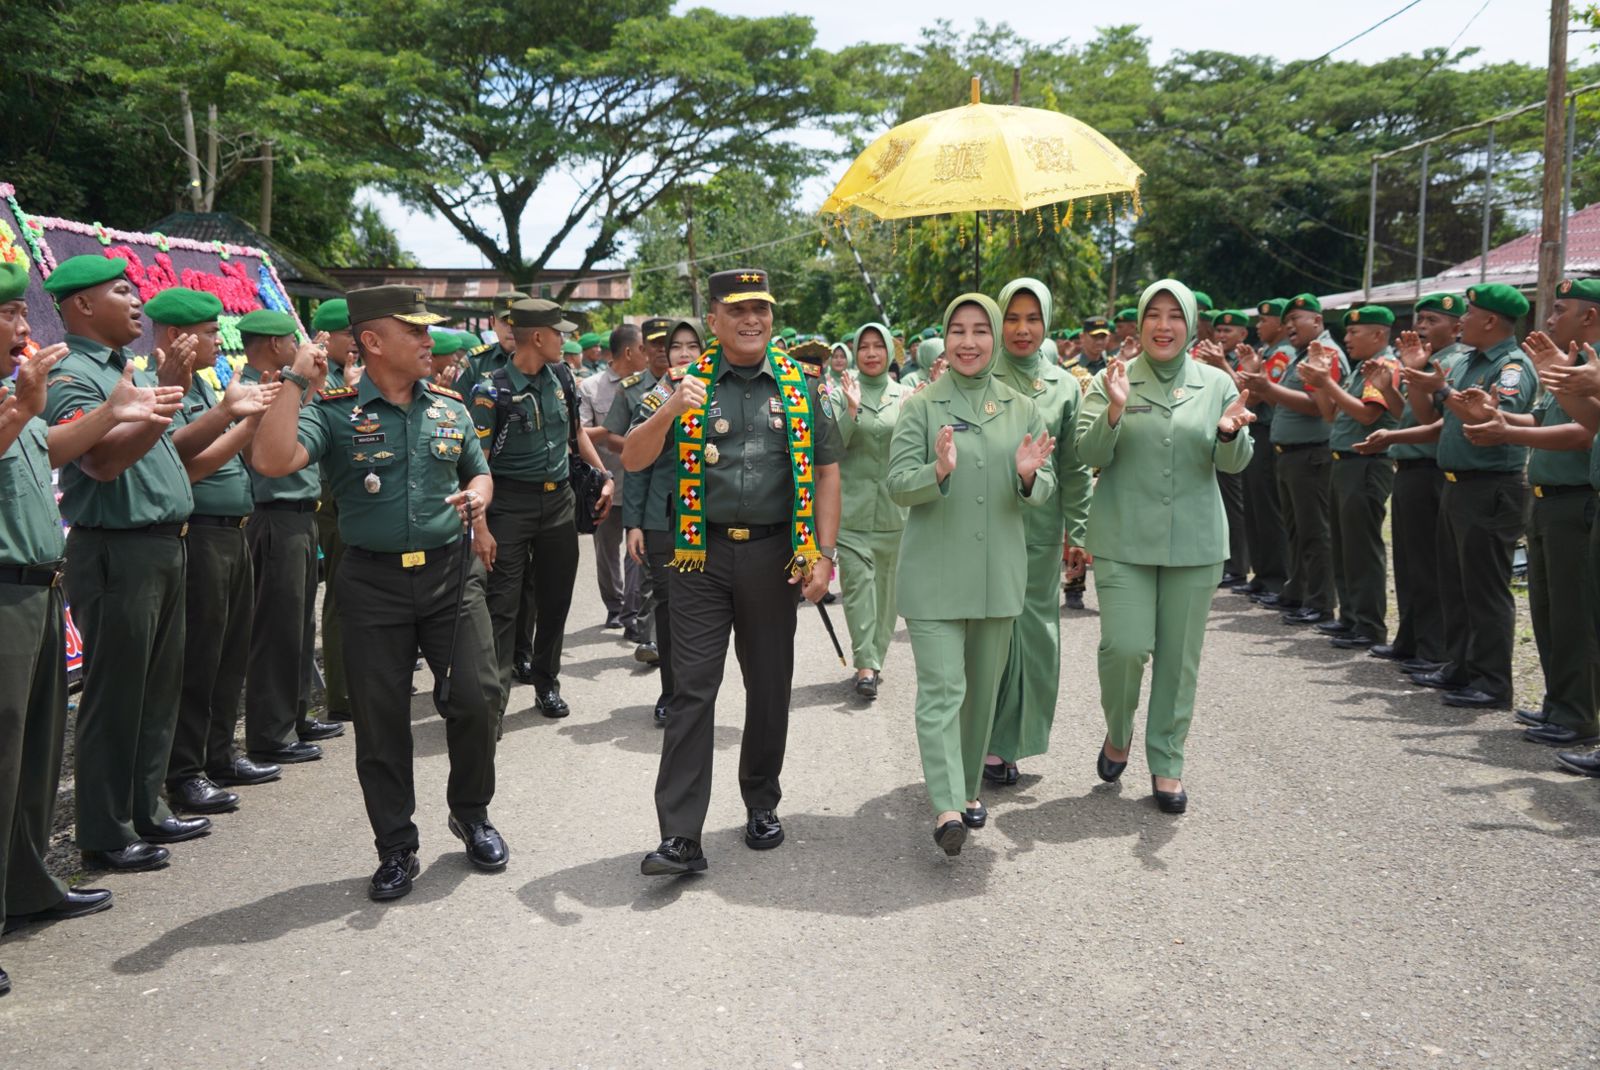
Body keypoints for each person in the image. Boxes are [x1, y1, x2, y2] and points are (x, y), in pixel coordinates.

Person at [253, 284, 506, 901]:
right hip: (372, 583)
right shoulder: (334, 410)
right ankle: (396, 846)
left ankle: (470, 812)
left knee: (478, 698)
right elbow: (272, 458)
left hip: (450, 575)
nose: (429, 341)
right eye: (414, 331)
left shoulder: (448, 403)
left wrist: (479, 498)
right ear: (372, 341)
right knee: (381, 720)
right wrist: (294, 380)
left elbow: (478, 466)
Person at [622, 269, 841, 876]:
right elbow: (634, 458)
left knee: (769, 686)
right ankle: (681, 836)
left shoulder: (800, 382)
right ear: (712, 317)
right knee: (692, 689)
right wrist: (669, 409)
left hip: (777, 558)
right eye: (738, 309)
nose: (752, 320)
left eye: (762, 309)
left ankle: (761, 801)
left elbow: (826, 471)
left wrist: (822, 554)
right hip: (699, 556)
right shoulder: (679, 383)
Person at [0, 251, 177, 991]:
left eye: (18, 312)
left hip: (38, 583)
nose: (20, 324)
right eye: (8, 314)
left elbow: (52, 448)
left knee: (36, 753)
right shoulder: (21, 395)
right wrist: (22, 412)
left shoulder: (21, 391)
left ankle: (27, 885)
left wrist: (112, 412)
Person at [41, 256, 207, 869]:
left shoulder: (121, 370)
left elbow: (154, 451)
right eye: (121, 292)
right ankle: (105, 832)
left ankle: (146, 808)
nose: (137, 302)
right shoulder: (73, 375)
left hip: (161, 545)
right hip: (116, 551)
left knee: (156, 688)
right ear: (82, 306)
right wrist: (160, 402)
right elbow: (102, 463)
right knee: (116, 695)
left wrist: (175, 397)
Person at [1076, 280, 1255, 814]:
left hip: (1195, 544)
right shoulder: (1112, 378)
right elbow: (1087, 450)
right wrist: (1112, 410)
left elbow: (1235, 462)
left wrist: (1228, 434)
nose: (1163, 325)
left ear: (1191, 323)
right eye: (1152, 314)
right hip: (1123, 537)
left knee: (1179, 662)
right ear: (1139, 322)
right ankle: (1118, 731)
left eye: (1175, 315)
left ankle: (1167, 761)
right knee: (1124, 648)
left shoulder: (1216, 384)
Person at [888, 293, 1055, 855]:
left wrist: (1030, 478)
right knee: (941, 691)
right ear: (944, 337)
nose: (968, 341)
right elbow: (897, 484)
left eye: (980, 330)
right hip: (934, 577)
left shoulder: (1021, 407)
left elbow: (1043, 488)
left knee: (980, 696)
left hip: (997, 577)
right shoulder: (921, 406)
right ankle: (946, 807)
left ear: (995, 338)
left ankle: (962, 787)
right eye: (957, 330)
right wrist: (936, 470)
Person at [1355, 284, 1534, 710]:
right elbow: (1441, 424)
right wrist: (1401, 425)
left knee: (1485, 589)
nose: (1463, 321)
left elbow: (1492, 417)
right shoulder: (1470, 362)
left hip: (1490, 486)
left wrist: (1441, 390)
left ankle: (1491, 683)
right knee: (1454, 583)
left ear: (1490, 320)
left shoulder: (1510, 366)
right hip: (1458, 483)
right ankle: (1460, 665)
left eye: (1469, 313)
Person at [155, 290, 283, 814]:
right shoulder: (169, 389)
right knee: (200, 657)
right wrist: (246, 423)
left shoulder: (206, 385)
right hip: (201, 531)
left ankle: (219, 753)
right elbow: (193, 463)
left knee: (231, 652)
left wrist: (243, 419)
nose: (216, 339)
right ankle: (185, 770)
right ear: (174, 337)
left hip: (232, 531)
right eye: (208, 332)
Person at [1464, 280, 1600, 744]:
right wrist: (1502, 420)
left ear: (1589, 316)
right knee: (1546, 610)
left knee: (1574, 614)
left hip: (1575, 498)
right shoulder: (1566, 364)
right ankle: (1559, 704)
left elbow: (1585, 433)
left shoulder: (1590, 366)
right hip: (1547, 499)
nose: (1548, 318)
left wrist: (1508, 434)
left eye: (1560, 309)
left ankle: (1578, 713)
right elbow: (1541, 419)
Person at [473, 299, 615, 725]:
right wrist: (480, 524)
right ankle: (493, 703)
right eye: (559, 333)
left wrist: (602, 473)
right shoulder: (490, 390)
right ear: (537, 336)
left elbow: (575, 433)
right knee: (503, 605)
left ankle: (546, 684)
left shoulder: (563, 378)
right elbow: (476, 463)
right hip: (509, 505)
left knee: (556, 600)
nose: (565, 339)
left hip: (558, 505)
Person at [984, 278, 1091, 784]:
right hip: (984, 529)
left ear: (1047, 322)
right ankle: (987, 743)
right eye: (1011, 317)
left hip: (1042, 531)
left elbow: (1072, 468)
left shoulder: (1065, 385)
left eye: (1032, 318)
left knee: (1036, 641)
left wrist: (1080, 530)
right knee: (990, 639)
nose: (1022, 329)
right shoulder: (978, 371)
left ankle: (1013, 739)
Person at [236, 311, 345, 769]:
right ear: (274, 345)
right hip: (274, 516)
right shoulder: (252, 389)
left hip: (300, 517)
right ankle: (270, 733)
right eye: (291, 341)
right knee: (276, 631)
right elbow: (261, 452)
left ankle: (295, 717)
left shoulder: (286, 387)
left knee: (299, 627)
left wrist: (307, 386)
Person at [1370, 295, 1468, 670]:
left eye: (1431, 320)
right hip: (1410, 471)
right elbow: (1411, 416)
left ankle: (1433, 648)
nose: (1421, 326)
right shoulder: (1425, 362)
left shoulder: (1456, 363)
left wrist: (1391, 439)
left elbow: (1438, 428)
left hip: (1432, 472)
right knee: (1409, 563)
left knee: (1430, 564)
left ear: (1456, 327)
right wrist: (1394, 387)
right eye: (1419, 319)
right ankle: (1410, 639)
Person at [1236, 294, 1346, 625]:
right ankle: (1297, 592)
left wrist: (1267, 388)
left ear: (1317, 320)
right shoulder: (1301, 355)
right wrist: (1264, 385)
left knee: (1315, 531)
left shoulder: (1325, 355)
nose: (1289, 326)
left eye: (1296, 318)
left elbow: (1318, 406)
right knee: (1297, 531)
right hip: (1292, 454)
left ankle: (1320, 601)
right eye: (1287, 321)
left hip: (1312, 453)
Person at [1298, 306, 1401, 649]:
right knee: (1343, 545)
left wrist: (1327, 381)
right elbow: (1330, 414)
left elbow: (1368, 415)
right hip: (1344, 463)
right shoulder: (1359, 370)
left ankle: (1369, 625)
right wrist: (1321, 380)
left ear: (1379, 335)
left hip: (1366, 463)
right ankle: (1350, 617)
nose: (1347, 338)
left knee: (1362, 547)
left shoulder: (1384, 367)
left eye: (1354, 332)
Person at [620, 320, 705, 724]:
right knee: (669, 611)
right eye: (676, 347)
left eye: (692, 345)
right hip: (663, 517)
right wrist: (633, 522)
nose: (684, 353)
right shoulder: (659, 394)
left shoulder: (720, 387)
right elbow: (636, 465)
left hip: (709, 519)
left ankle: (697, 693)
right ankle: (671, 693)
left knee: (705, 614)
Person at [834, 321, 909, 699]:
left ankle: (875, 659)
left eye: (878, 346)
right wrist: (851, 410)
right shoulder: (839, 392)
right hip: (850, 513)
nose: (872, 353)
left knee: (886, 594)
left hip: (896, 515)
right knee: (857, 588)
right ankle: (865, 664)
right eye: (864, 346)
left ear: (889, 352)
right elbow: (830, 449)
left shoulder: (907, 396)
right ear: (854, 353)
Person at [580, 324, 645, 634]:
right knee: (606, 550)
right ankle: (615, 606)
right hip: (605, 483)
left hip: (638, 482)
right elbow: (579, 434)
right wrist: (610, 431)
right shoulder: (590, 388)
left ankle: (633, 610)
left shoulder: (651, 385)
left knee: (637, 549)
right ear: (630, 352)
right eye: (644, 348)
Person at [312, 298, 354, 720]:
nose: (356, 342)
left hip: (348, 496)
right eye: (349, 335)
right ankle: (341, 696)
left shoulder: (344, 375)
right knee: (342, 596)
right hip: (332, 498)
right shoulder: (321, 378)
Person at [1194, 311, 1253, 588]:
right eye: (1219, 331)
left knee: (1236, 505)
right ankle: (1226, 564)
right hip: (1213, 435)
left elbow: (1246, 393)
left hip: (1238, 435)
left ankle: (1238, 567)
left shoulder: (1243, 357)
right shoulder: (1207, 356)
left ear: (1243, 334)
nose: (1221, 336)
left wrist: (1220, 364)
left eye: (1228, 332)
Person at [464, 290, 524, 383]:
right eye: (505, 321)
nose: (511, 328)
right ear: (492, 323)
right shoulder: (475, 362)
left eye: (518, 320)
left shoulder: (546, 361)